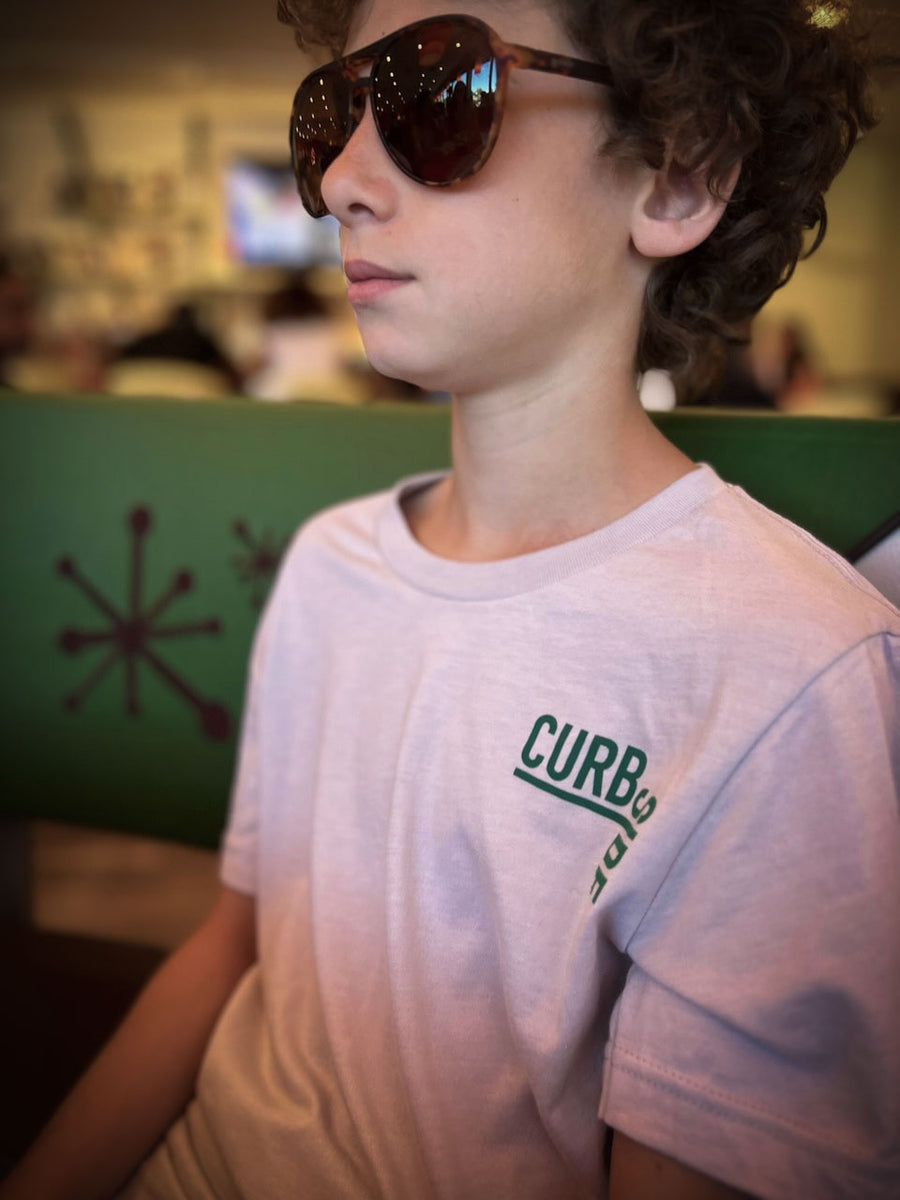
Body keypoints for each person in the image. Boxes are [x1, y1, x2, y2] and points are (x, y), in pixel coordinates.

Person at [3, 1, 898, 1197]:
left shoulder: (790, 672)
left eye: (440, 96)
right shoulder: (331, 563)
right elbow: (237, 943)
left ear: (677, 180)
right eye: (333, 116)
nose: (341, 182)